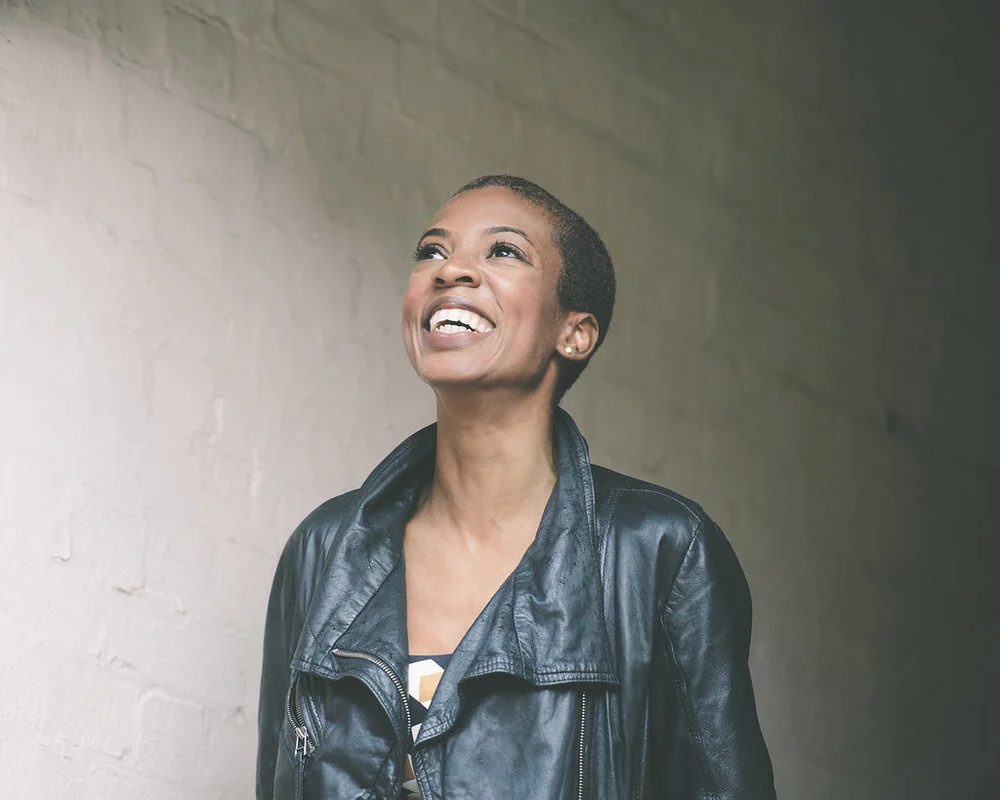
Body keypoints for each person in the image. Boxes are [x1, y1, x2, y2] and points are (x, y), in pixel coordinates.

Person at [256, 175, 776, 799]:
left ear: (575, 333)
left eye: (504, 251)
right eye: (431, 251)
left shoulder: (657, 550)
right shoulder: (325, 548)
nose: (451, 270)